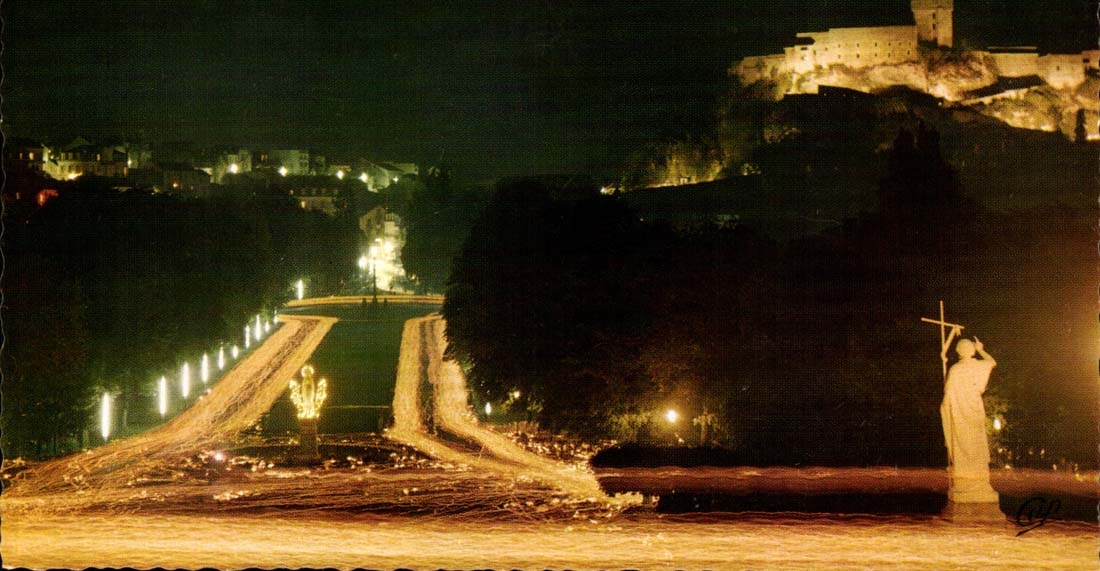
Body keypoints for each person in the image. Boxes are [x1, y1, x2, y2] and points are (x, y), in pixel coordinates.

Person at [940, 337, 998, 502]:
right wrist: (981, 349)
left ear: (958, 352)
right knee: (977, 444)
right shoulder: (980, 365)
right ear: (972, 350)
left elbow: (948, 395)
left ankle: (965, 484)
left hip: (960, 412)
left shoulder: (955, 369)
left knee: (962, 444)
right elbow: (992, 362)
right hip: (975, 409)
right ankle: (980, 483)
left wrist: (945, 409)